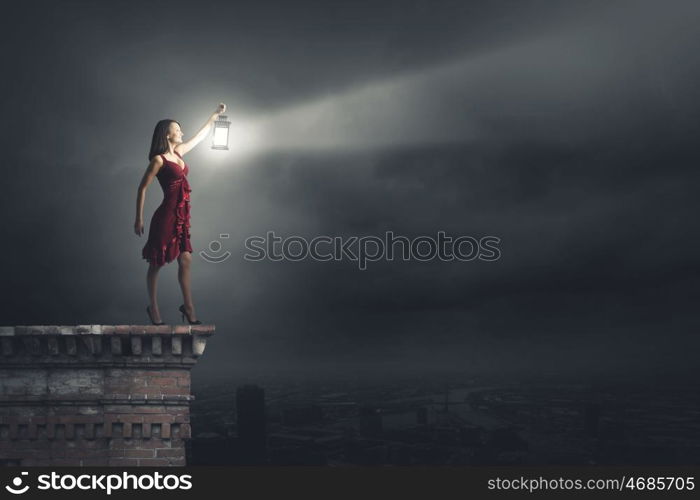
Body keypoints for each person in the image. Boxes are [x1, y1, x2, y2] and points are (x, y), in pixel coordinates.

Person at [135, 103, 227, 325]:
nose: (182, 132)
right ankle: (153, 307)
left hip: (181, 216)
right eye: (178, 129)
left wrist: (214, 115)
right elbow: (142, 188)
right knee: (156, 262)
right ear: (167, 133)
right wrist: (138, 218)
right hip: (166, 216)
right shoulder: (159, 160)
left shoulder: (179, 152)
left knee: (185, 260)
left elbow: (199, 136)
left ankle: (188, 307)